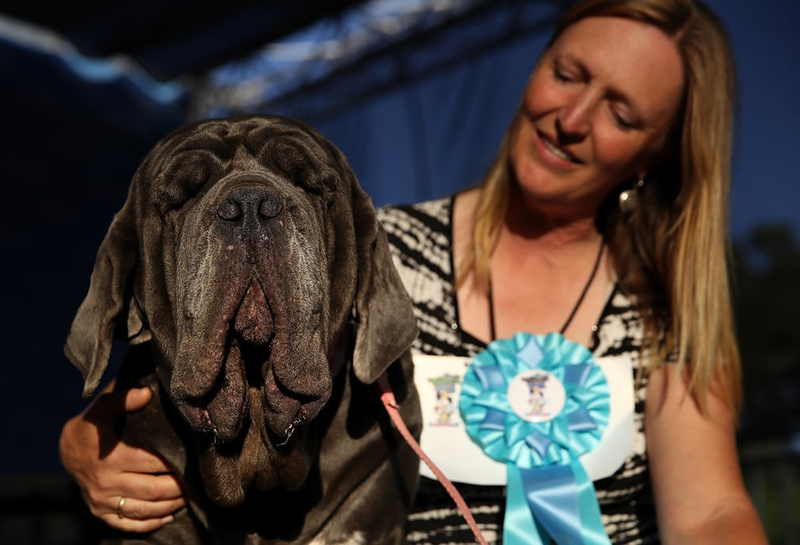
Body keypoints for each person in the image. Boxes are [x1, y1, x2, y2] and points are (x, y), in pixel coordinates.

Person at [59, 0, 768, 543]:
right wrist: (88, 442)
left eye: (619, 110)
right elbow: (188, 365)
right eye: (568, 73)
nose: (572, 117)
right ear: (536, 66)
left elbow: (709, 510)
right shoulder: (374, 246)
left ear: (653, 156)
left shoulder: (668, 306)